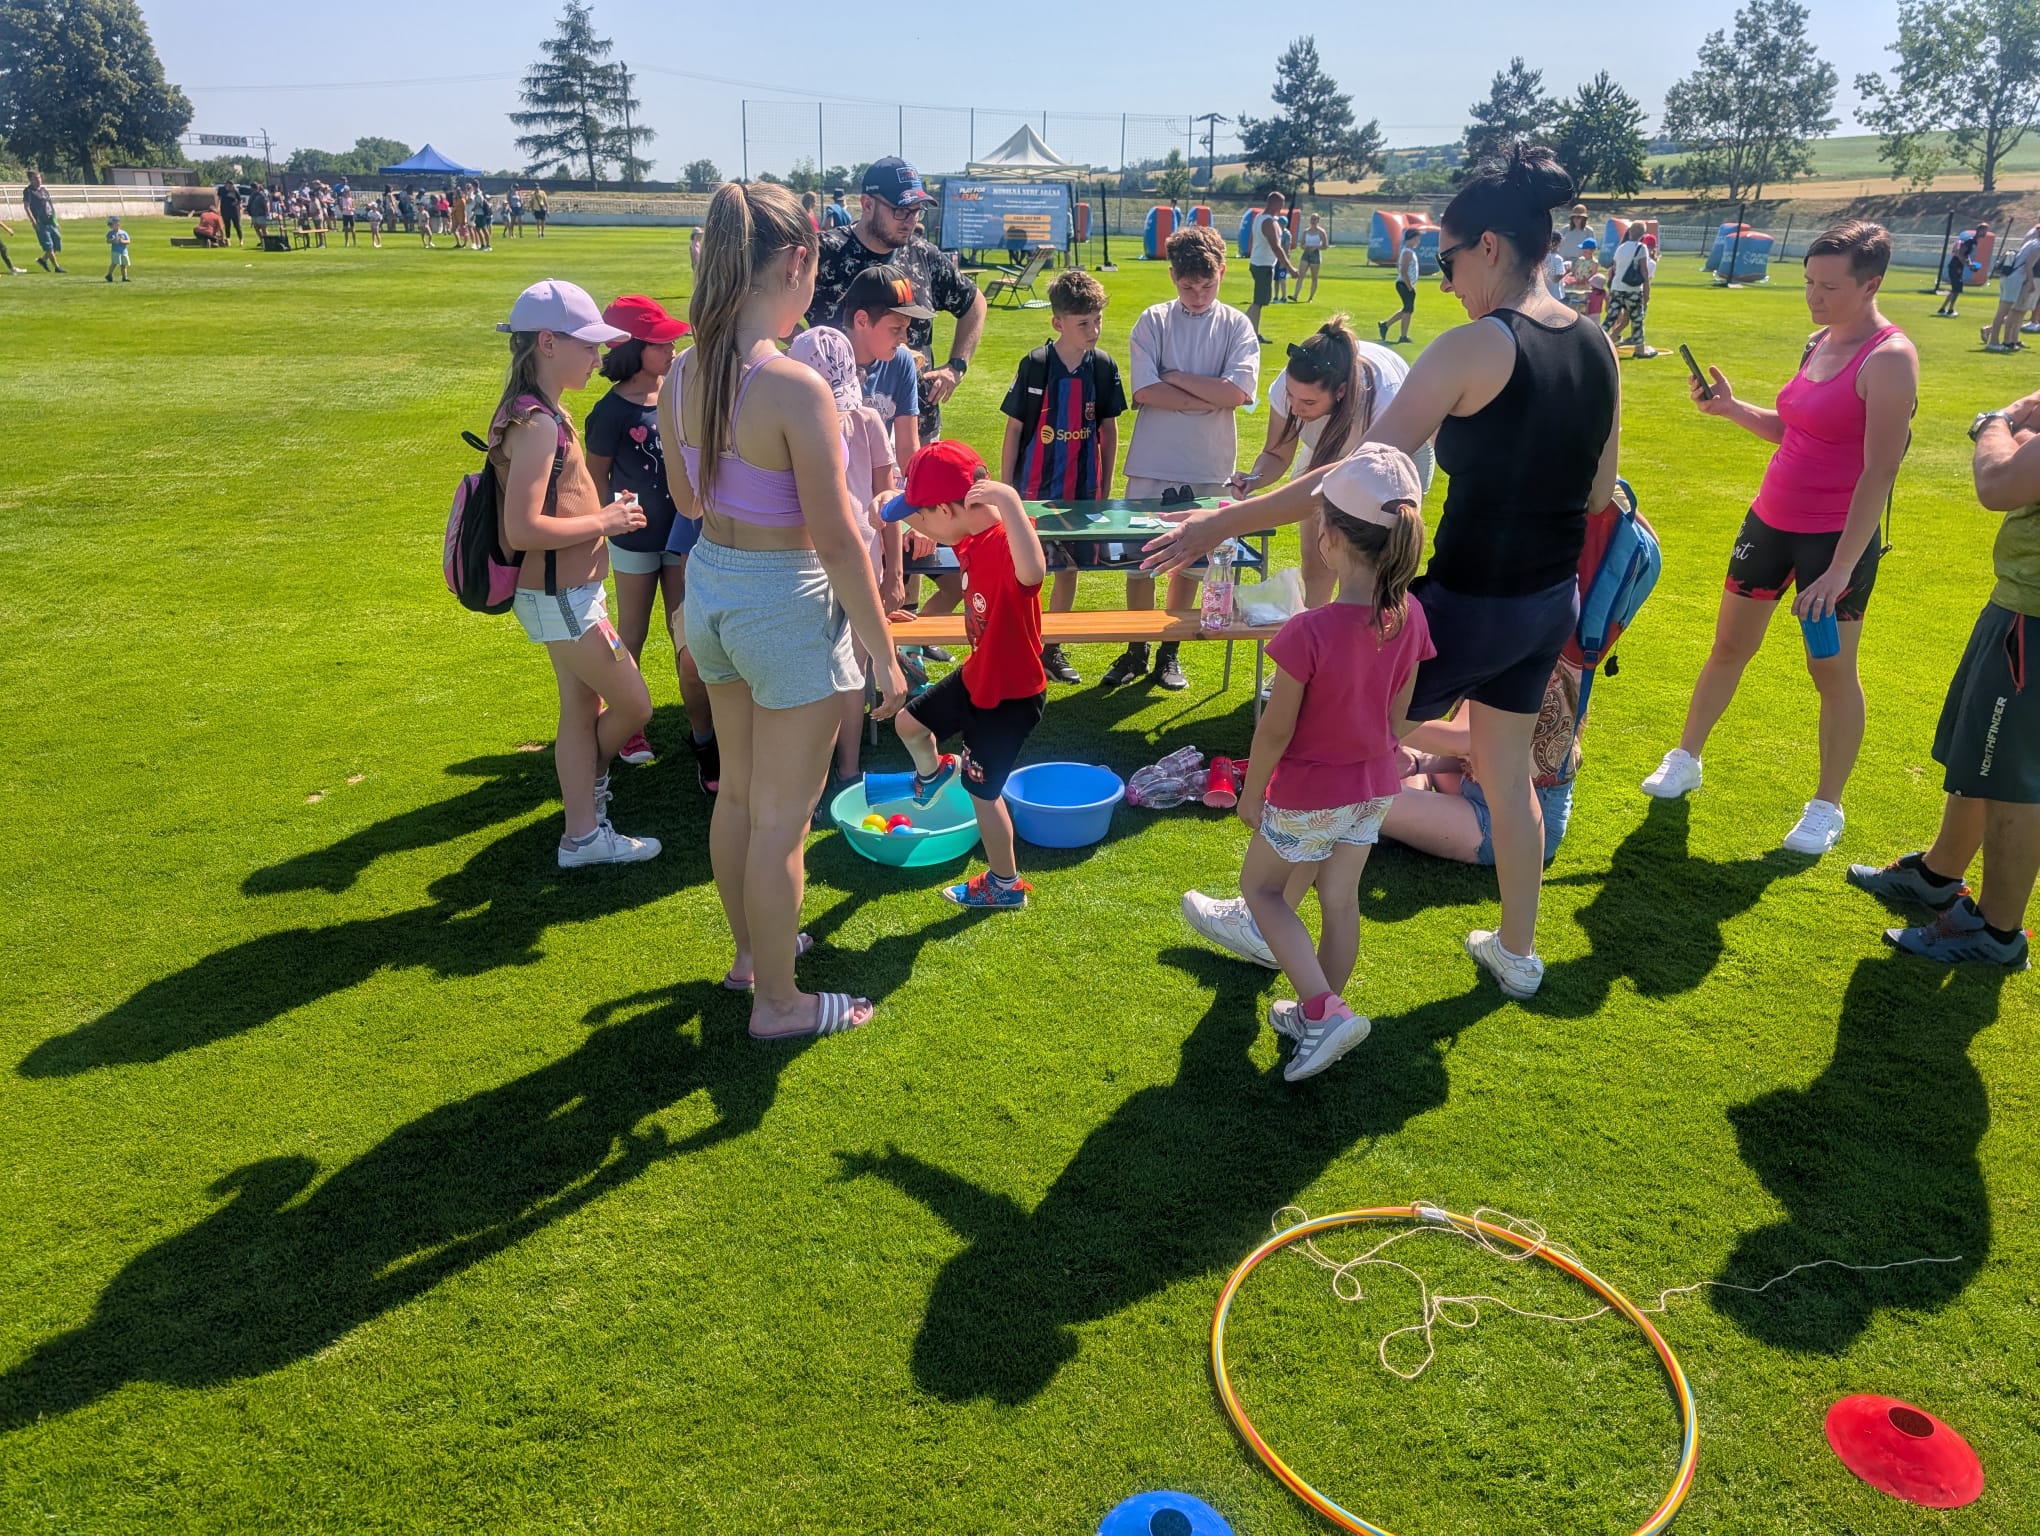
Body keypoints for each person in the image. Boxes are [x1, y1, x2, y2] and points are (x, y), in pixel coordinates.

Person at [1145, 144, 1619, 999]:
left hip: (1471, 603)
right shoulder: (1597, 344)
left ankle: (1264, 916)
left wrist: (1220, 521)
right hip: (1549, 602)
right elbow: (1596, 493)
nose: (1444, 281)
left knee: (1338, 744)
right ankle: (1517, 952)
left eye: (1447, 260)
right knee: (1506, 772)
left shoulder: (1473, 346)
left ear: (1489, 247)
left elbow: (1350, 478)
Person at [662, 180, 907, 1040]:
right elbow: (838, 541)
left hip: (713, 589)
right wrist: (885, 656)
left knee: (739, 799)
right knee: (781, 821)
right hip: (782, 602)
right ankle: (778, 1001)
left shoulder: (682, 370)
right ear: (799, 261)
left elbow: (687, 502)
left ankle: (751, 959)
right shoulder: (796, 386)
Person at [1642, 220, 1917, 857]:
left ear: (1871, 284)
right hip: (1769, 523)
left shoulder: (1889, 359)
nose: (1814, 297)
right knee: (1729, 646)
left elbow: (1880, 470)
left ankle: (1826, 806)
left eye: (1830, 287)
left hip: (1836, 542)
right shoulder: (1816, 342)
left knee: (1831, 671)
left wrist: (1840, 569)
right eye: (1809, 282)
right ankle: (1687, 758)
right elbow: (1794, 431)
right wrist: (1731, 408)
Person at [1200, 446, 1432, 1080]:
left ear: (1328, 535)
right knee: (1339, 899)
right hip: (1373, 788)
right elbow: (1399, 717)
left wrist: (1252, 792)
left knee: (1261, 891)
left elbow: (1276, 727)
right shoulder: (1410, 615)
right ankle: (1320, 1015)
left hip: (1309, 793)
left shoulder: (1308, 631)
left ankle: (1323, 1012)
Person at [1846, 385, 2040, 969]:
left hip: (2033, 620)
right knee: (1980, 755)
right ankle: (1938, 875)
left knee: (2012, 780)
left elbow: (1999, 482)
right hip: (2018, 605)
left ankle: (1997, 932)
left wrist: (1996, 421)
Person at [488, 279, 660, 869]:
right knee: (635, 705)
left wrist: (601, 514)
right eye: (587, 345)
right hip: (563, 596)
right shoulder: (537, 423)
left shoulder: (539, 411)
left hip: (565, 593)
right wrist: (605, 520)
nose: (598, 356)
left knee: (579, 710)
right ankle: (588, 801)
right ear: (547, 343)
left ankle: (582, 835)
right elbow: (522, 528)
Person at [880, 443, 1049, 910]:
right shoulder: (968, 537)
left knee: (982, 794)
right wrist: (888, 501)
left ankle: (1004, 884)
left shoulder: (1005, 541)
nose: (916, 526)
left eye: (919, 516)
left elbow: (1033, 572)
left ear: (947, 510)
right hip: (980, 676)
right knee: (908, 724)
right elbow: (926, 513)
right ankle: (934, 773)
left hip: (1010, 696)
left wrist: (1010, 500)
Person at [1106, 223, 1259, 692]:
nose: (1197, 295)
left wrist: (1176, 377)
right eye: (1188, 286)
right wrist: (1206, 395)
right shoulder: (1152, 320)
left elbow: (1237, 393)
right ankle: (1136, 648)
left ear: (1223, 272)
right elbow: (1145, 391)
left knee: (1191, 563)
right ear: (1172, 275)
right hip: (1152, 460)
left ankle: (1169, 651)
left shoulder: (1236, 325)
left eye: (1207, 285)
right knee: (1140, 561)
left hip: (1209, 465)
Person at [583, 294, 719, 792]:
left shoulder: (678, 392)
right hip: (635, 541)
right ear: (630, 349)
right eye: (660, 343)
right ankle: (629, 719)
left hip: (684, 538)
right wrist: (608, 520)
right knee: (632, 631)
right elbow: (594, 479)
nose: (672, 349)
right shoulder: (609, 412)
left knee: (687, 632)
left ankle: (701, 718)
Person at [1233, 315, 1432, 608]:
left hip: (1390, 459)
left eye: (1309, 403)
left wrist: (1235, 519)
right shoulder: (1293, 386)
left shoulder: (1383, 398)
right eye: (1291, 396)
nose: (1295, 408)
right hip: (1325, 452)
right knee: (1317, 561)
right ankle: (1319, 627)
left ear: (1340, 392)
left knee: (1372, 568)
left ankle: (1376, 629)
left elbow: (1362, 481)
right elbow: (1276, 454)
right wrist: (1254, 478)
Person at [787, 323, 900, 802]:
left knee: (848, 671)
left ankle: (845, 770)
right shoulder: (793, 424)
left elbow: (888, 500)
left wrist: (894, 574)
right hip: (814, 563)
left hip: (853, 560)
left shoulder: (864, 420)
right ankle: (819, 776)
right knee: (820, 674)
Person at [999, 268, 1127, 686]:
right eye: (1083, 323)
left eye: (1098, 320)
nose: (1094, 330)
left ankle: (1051, 647)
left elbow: (1108, 430)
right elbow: (1014, 429)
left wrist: (1105, 488)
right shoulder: (1036, 365)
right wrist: (1007, 492)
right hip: (1034, 493)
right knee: (1026, 571)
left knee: (1069, 569)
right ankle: (1019, 644)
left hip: (1081, 492)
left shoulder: (1103, 366)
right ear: (1058, 323)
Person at [805, 157, 986, 448]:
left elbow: (974, 302)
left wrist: (957, 365)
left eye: (917, 210)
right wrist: (798, 352)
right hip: (839, 430)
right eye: (901, 210)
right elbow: (768, 301)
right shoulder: (824, 253)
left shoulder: (924, 255)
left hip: (916, 430)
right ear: (867, 204)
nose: (911, 220)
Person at [837, 264, 927, 470]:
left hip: (879, 478)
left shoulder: (901, 363)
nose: (904, 338)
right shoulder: (827, 360)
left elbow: (907, 449)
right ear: (862, 321)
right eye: (896, 328)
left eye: (906, 328)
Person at [1245, 190, 1295, 341]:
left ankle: (1247, 328)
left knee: (1260, 301)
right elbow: (1276, 247)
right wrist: (1290, 268)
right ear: (1275, 204)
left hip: (1259, 262)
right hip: (1263, 265)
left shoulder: (1260, 217)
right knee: (1258, 302)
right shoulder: (1268, 222)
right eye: (1281, 204)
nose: (1282, 208)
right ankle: (1251, 332)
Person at [1603, 221, 1656, 358]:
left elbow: (1615, 268)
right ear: (1643, 234)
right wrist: (1647, 292)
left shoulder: (1621, 248)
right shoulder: (1641, 248)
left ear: (1630, 232)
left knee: (1611, 318)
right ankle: (1639, 349)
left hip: (1617, 287)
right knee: (1637, 319)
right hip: (1632, 289)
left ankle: (1599, 340)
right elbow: (1644, 270)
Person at [1983, 225, 2039, 351]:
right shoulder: (2038, 245)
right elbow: (2028, 265)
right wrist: (2031, 283)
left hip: (2010, 276)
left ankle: (1995, 340)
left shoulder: (2032, 242)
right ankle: (1993, 342)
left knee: (2004, 311)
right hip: (2015, 278)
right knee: (2003, 312)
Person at [1379, 228, 1418, 343]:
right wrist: (1409, 286)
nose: (1418, 242)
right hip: (1404, 284)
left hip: (1406, 283)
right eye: (1416, 239)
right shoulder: (1407, 252)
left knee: (1407, 309)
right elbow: (1403, 270)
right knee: (1408, 309)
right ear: (1410, 239)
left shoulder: (1408, 251)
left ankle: (1385, 325)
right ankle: (1403, 336)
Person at [22, 170, 63, 273]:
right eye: (35, 178)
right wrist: (33, 221)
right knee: (48, 246)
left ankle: (43, 260)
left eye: (39, 177)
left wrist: (56, 221)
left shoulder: (44, 190)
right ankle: (57, 267)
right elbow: (27, 207)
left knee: (57, 243)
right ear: (30, 179)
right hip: (41, 223)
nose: (38, 180)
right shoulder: (29, 191)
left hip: (51, 221)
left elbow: (50, 206)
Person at [1298, 213, 1328, 303]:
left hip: (1315, 254)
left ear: (1318, 220)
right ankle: (1295, 295)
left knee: (1314, 277)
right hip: (1306, 253)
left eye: (1315, 219)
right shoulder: (1306, 231)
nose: (1313, 221)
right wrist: (1304, 246)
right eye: (1312, 219)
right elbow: (1301, 244)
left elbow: (1325, 246)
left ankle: (1310, 297)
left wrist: (1316, 247)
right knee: (1301, 275)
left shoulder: (1321, 232)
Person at [104, 216, 132, 281]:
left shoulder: (123, 233)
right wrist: (113, 240)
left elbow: (128, 241)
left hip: (124, 251)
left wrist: (122, 241)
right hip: (115, 251)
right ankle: (109, 274)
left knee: (124, 265)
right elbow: (108, 241)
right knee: (114, 263)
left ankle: (124, 277)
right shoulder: (110, 233)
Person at [1543, 230, 1567, 301]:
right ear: (1556, 243)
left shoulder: (1541, 257)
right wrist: (1567, 270)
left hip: (1543, 293)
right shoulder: (1557, 259)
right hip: (1555, 294)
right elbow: (1556, 278)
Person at [218, 181, 244, 246]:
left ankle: (241, 240)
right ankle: (228, 240)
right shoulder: (222, 190)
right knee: (227, 225)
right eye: (228, 185)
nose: (229, 187)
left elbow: (240, 200)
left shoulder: (235, 191)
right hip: (225, 210)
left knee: (237, 225)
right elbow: (219, 198)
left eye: (230, 185)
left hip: (234, 210)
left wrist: (237, 204)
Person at [471, 187, 493, 251]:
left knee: (484, 229)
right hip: (478, 214)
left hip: (481, 214)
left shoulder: (479, 195)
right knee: (478, 229)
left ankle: (488, 245)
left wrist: (473, 209)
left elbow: (478, 204)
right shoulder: (477, 195)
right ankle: (482, 244)